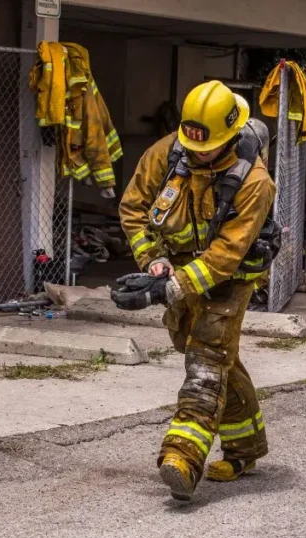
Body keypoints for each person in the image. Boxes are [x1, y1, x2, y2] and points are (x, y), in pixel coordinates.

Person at [113, 80, 277, 500]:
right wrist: (153, 261)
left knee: (206, 362)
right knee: (214, 355)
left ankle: (182, 457)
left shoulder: (255, 180)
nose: (197, 152)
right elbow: (134, 208)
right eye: (191, 142)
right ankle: (246, 448)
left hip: (230, 277)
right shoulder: (169, 152)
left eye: (207, 146)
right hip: (179, 267)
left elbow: (226, 254)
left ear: (230, 135)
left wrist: (166, 289)